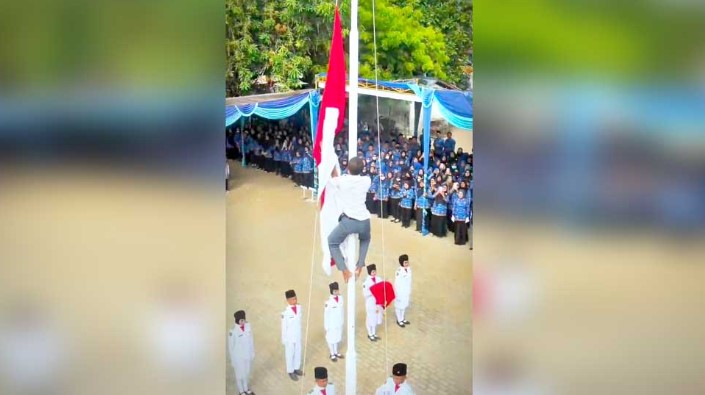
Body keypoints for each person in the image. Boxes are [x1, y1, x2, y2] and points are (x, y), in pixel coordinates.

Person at [326, 157, 373, 283]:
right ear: (362, 169)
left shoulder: (342, 181)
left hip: (349, 221)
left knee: (332, 242)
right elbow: (362, 177)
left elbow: (334, 176)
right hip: (364, 220)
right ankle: (359, 265)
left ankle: (344, 269)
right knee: (365, 239)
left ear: (347, 168)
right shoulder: (366, 180)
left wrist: (331, 161)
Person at [228, 310, 255, 395]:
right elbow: (231, 347)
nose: (243, 322)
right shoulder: (232, 332)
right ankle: (241, 391)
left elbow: (251, 340)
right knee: (240, 375)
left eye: (244, 320)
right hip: (238, 357)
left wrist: (252, 352)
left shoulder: (248, 326)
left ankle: (246, 389)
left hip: (247, 355)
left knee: (246, 373)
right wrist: (233, 360)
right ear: (237, 320)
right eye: (241, 320)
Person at [281, 290, 303, 381]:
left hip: (297, 335)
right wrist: (284, 340)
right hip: (289, 338)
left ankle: (296, 368)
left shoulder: (299, 307)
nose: (295, 300)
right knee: (290, 354)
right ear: (288, 300)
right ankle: (290, 371)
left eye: (295, 298)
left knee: (298, 352)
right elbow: (283, 327)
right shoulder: (285, 314)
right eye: (293, 299)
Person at [324, 282, 344, 361]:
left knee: (337, 338)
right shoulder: (328, 303)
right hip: (331, 324)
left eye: (337, 291)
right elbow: (326, 315)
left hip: (339, 322)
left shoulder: (341, 298)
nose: (336, 292)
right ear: (331, 291)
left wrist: (342, 321)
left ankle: (336, 352)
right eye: (335, 291)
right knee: (330, 338)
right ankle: (332, 353)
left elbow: (342, 310)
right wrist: (326, 326)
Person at [362, 264, 383, 342]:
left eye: (375, 271)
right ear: (369, 272)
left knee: (376, 316)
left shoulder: (379, 279)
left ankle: (374, 333)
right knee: (370, 317)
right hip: (370, 301)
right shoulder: (366, 282)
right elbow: (365, 294)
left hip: (377, 301)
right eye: (372, 272)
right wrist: (373, 292)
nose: (374, 273)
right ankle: (370, 333)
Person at [394, 255, 412, 328]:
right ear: (402, 263)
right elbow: (397, 283)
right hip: (400, 292)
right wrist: (397, 293)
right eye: (405, 262)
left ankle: (402, 318)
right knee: (399, 306)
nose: (407, 264)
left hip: (406, 291)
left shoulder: (409, 269)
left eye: (407, 262)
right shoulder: (399, 271)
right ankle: (399, 320)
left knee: (404, 305)